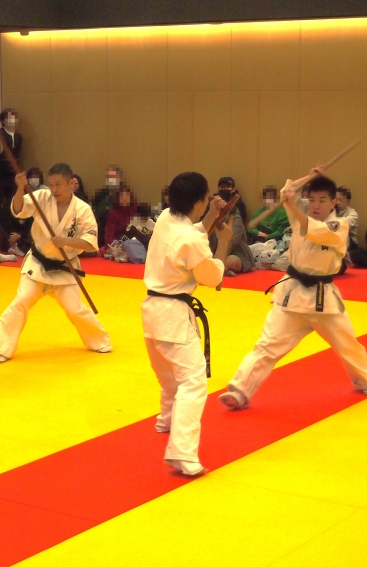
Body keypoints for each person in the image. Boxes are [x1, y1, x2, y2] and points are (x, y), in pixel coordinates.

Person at [219, 172, 367, 410]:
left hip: (322, 298)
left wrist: (292, 205)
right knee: (268, 344)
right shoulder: (301, 214)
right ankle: (240, 390)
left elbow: (310, 228)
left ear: (334, 202)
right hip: (292, 295)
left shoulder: (339, 225)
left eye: (322, 200)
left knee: (347, 343)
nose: (316, 205)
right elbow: (287, 191)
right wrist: (307, 177)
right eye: (312, 199)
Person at [143, 172, 232, 476]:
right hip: (172, 315)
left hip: (151, 312)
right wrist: (224, 242)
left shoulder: (166, 218)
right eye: (206, 198)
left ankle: (167, 420)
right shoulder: (191, 238)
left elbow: (190, 236)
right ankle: (182, 453)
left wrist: (210, 217)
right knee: (193, 381)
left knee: (170, 378)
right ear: (198, 202)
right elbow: (213, 278)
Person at [0, 163, 112, 363]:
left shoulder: (82, 209)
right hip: (37, 265)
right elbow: (18, 210)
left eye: (59, 184)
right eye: (51, 184)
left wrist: (66, 242)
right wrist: (20, 188)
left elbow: (90, 243)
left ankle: (99, 340)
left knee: (75, 309)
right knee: (21, 301)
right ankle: (2, 348)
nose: (54, 189)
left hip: (65, 267)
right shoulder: (42, 198)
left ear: (72, 183)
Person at [210, 187, 256, 275]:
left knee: (231, 261)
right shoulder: (211, 215)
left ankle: (222, 268)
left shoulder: (234, 215)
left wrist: (219, 258)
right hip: (214, 253)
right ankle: (222, 269)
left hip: (236, 253)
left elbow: (233, 240)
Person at [0, 108, 22, 221]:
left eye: (14, 118)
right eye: (9, 118)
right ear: (3, 121)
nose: (13, 120)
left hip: (13, 174)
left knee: (12, 199)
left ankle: (11, 223)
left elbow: (17, 154)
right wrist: (3, 163)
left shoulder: (18, 137)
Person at [92, 166, 124, 244]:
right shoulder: (100, 195)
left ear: (120, 178)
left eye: (113, 177)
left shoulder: (125, 196)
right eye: (108, 177)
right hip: (99, 235)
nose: (110, 180)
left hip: (118, 238)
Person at [103, 186, 138, 253]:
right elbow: (109, 232)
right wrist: (109, 245)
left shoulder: (136, 209)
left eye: (127, 196)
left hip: (134, 240)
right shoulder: (113, 213)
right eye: (122, 197)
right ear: (118, 199)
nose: (124, 199)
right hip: (118, 240)